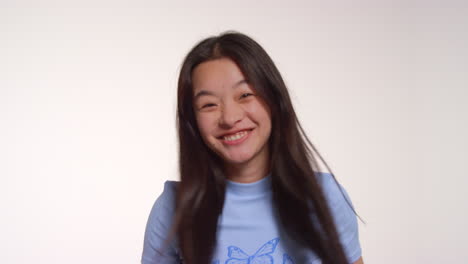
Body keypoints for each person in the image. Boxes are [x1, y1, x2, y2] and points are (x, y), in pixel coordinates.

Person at [141, 31, 364, 264]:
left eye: (245, 94)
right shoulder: (173, 210)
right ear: (192, 120)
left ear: (274, 99)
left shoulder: (325, 197)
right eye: (208, 104)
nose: (229, 117)